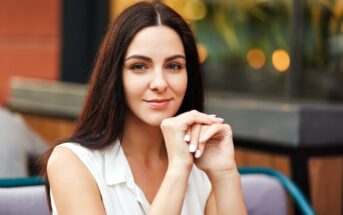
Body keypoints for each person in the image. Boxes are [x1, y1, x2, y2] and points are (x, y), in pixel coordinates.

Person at [44, 1, 247, 214]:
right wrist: (177, 171)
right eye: (139, 66)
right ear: (115, 76)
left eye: (173, 66)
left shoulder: (203, 165)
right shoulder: (72, 162)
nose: (159, 83)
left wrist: (225, 174)